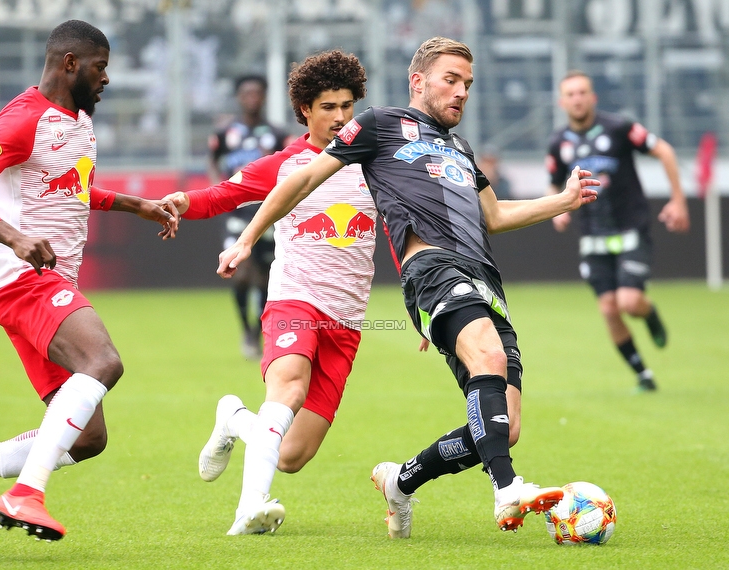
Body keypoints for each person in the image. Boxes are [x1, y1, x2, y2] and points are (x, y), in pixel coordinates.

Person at [217, 37, 599, 538]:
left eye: (468, 83)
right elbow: (304, 178)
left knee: (506, 424)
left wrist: (564, 201)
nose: (461, 91)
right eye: (451, 79)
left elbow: (496, 214)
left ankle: (402, 480)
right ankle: (508, 490)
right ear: (418, 81)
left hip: (482, 276)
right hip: (433, 269)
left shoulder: (459, 148)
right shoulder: (377, 125)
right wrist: (247, 238)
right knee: (489, 358)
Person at [0, 20, 178, 547]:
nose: (106, 79)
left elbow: (69, 187)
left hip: (45, 283)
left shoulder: (76, 121)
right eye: (100, 68)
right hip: (24, 281)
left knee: (88, 438)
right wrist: (14, 237)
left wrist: (134, 204)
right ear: (70, 63)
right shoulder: (23, 119)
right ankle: (26, 493)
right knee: (104, 362)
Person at [163, 51, 374, 535]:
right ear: (304, 109)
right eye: (328, 107)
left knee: (293, 456)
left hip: (346, 319)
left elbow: (399, 231)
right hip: (294, 297)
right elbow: (223, 194)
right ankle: (250, 508)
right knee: (289, 385)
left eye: (347, 106)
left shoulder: (372, 164)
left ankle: (234, 418)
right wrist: (182, 202)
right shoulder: (285, 165)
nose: (340, 117)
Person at [548, 70, 689, 393]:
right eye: (570, 94)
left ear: (593, 97)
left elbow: (663, 150)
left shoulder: (619, 128)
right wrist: (556, 209)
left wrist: (678, 200)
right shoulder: (558, 143)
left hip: (630, 228)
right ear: (562, 102)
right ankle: (643, 374)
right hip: (591, 235)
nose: (577, 99)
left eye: (582, 92)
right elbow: (552, 180)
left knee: (629, 302)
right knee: (608, 308)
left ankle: (649, 312)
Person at [209, 75, 292, 358]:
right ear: (239, 97)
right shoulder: (225, 134)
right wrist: (218, 193)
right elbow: (213, 161)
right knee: (240, 275)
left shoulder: (278, 135)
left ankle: (257, 333)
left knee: (267, 279)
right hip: (236, 214)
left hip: (269, 214)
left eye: (257, 93)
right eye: (247, 93)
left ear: (265, 96)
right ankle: (246, 329)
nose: (252, 98)